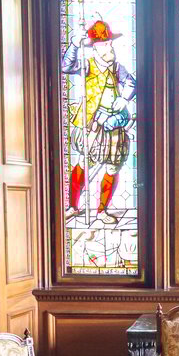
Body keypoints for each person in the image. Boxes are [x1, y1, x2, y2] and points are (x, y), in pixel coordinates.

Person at [60, 19, 136, 226]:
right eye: (104, 44)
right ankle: (73, 206)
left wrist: (125, 98)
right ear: (94, 47)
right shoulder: (87, 65)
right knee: (84, 163)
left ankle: (102, 210)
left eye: (110, 43)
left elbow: (131, 83)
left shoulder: (117, 67)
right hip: (93, 125)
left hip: (115, 125)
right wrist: (74, 44)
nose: (109, 47)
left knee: (112, 168)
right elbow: (66, 67)